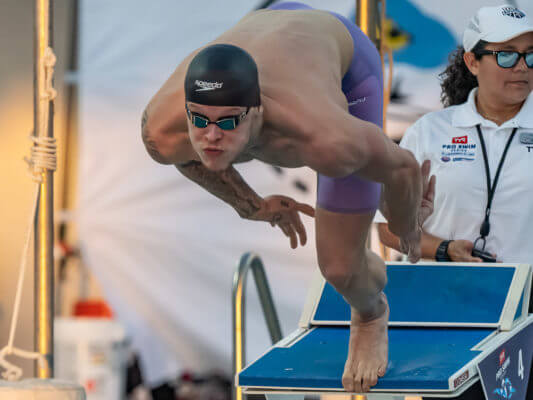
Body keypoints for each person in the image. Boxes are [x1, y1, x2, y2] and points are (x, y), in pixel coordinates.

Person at [141, 2, 434, 393]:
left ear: (257, 113)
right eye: (200, 120)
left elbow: (404, 168)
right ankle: (371, 188)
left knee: (339, 268)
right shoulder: (165, 132)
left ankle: (370, 314)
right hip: (271, 24)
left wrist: (406, 226)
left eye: (229, 122)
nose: (211, 137)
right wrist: (252, 206)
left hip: (341, 59)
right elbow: (186, 156)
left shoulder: (323, 136)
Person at [376, 4, 533, 400]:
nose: (522, 66)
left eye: (531, 54)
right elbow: (389, 230)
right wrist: (444, 248)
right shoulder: (430, 132)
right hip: (447, 308)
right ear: (472, 61)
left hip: (528, 310)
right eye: (506, 54)